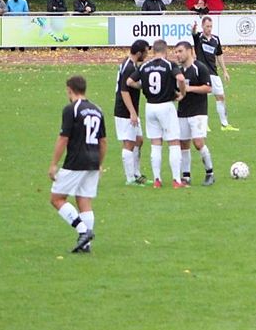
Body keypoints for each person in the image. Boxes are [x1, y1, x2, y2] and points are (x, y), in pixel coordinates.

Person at [48, 75, 106, 254]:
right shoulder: (97, 109)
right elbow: (103, 141)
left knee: (57, 198)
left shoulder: (71, 109)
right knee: (84, 200)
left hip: (76, 161)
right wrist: (99, 163)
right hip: (93, 160)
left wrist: (54, 164)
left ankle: (83, 231)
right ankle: (86, 246)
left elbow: (63, 138)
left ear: (69, 90)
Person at [127, 39, 187, 188]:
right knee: (173, 142)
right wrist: (182, 93)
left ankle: (157, 180)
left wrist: (143, 87)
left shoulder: (145, 66)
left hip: (150, 107)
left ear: (153, 51)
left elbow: (129, 82)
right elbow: (180, 78)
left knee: (155, 143)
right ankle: (176, 180)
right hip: (166, 106)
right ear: (165, 51)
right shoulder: (169, 65)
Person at [174, 41, 216, 186]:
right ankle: (186, 176)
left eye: (180, 51)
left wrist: (189, 89)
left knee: (198, 143)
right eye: (176, 52)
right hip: (182, 112)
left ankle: (210, 172)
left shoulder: (200, 68)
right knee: (183, 144)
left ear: (189, 51)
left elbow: (208, 88)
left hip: (198, 111)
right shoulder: (179, 71)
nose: (177, 55)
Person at [192, 16, 239, 131]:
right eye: (207, 26)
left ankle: (224, 124)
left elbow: (219, 55)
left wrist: (225, 71)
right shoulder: (199, 37)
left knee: (221, 97)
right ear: (202, 26)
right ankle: (203, 125)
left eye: (211, 26)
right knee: (201, 99)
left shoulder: (215, 40)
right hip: (202, 73)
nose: (209, 28)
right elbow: (193, 34)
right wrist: (193, 29)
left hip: (213, 72)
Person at [114, 39, 149, 186]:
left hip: (130, 110)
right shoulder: (129, 67)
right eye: (146, 52)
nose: (147, 55)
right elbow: (124, 91)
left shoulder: (129, 63)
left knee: (139, 140)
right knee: (129, 143)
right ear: (139, 53)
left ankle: (136, 173)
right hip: (125, 111)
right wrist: (132, 113)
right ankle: (130, 179)